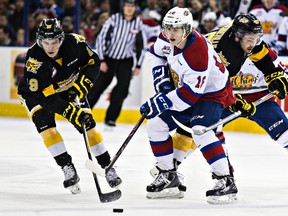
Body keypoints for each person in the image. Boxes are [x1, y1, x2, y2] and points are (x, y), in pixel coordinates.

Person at [156, 13, 288, 198]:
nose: (254, 42)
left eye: (256, 38)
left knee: (283, 130)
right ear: (238, 36)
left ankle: (173, 169)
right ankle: (174, 169)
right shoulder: (225, 53)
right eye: (250, 39)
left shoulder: (247, 39)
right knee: (203, 130)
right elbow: (214, 85)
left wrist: (276, 76)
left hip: (254, 95)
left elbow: (269, 61)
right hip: (213, 91)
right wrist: (235, 101)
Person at [139, 6, 255, 204]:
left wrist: (161, 101)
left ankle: (225, 181)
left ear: (187, 29)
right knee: (155, 124)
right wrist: (162, 82)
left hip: (213, 95)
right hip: (189, 91)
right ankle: (169, 176)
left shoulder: (197, 53)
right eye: (167, 28)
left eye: (175, 29)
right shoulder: (166, 38)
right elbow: (154, 53)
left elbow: (190, 97)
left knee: (201, 130)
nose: (170, 33)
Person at [17, 18, 122, 194]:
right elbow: (48, 99)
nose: (50, 47)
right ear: (39, 40)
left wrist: (79, 88)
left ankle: (108, 165)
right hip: (37, 95)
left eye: (55, 41)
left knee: (89, 126)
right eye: (46, 42)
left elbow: (93, 63)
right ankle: (67, 167)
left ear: (62, 38)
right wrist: (73, 114)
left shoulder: (75, 43)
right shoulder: (34, 59)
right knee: (46, 127)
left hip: (68, 87)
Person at [87, 0, 146, 129]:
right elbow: (101, 39)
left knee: (122, 90)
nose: (129, 8)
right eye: (127, 6)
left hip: (126, 61)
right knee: (97, 88)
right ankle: (84, 114)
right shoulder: (114, 19)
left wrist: (139, 65)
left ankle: (111, 119)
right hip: (109, 59)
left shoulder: (138, 23)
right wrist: (101, 60)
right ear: (123, 7)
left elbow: (141, 45)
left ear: (135, 8)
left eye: (132, 6)